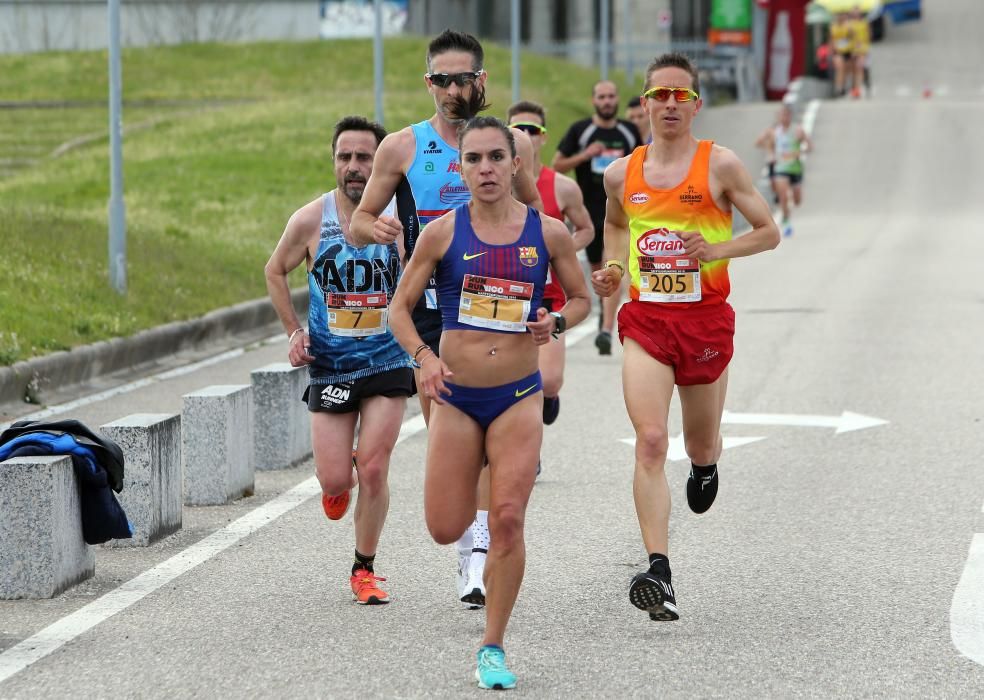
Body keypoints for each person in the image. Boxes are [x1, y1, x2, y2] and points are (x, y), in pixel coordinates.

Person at [390, 116, 590, 690]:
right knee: (443, 524)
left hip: (518, 396)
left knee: (506, 519)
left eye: (495, 158)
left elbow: (578, 300)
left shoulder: (546, 233)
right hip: (455, 395)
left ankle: (493, 646)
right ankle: (468, 485)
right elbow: (400, 310)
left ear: (514, 164)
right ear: (460, 168)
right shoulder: (442, 233)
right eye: (473, 159)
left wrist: (555, 320)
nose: (485, 169)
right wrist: (425, 360)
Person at [351, 29, 542, 610]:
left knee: (492, 439)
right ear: (428, 83)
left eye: (463, 78)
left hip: (498, 306)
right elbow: (360, 219)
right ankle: (469, 548)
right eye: (442, 79)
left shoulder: (508, 145)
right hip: (435, 312)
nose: (452, 89)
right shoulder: (403, 148)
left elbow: (535, 216)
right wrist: (377, 228)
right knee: (452, 439)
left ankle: (477, 559)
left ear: (481, 81)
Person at [591, 53, 779, 623]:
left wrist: (714, 250)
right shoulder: (622, 173)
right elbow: (618, 225)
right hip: (647, 321)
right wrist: (614, 271)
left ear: (695, 104)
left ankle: (704, 464)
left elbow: (768, 231)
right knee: (651, 440)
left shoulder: (719, 165)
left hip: (704, 320)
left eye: (681, 95)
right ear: (644, 102)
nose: (670, 103)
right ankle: (659, 571)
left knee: (698, 442)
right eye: (660, 94)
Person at [264, 116, 413, 606]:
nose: (354, 167)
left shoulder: (398, 218)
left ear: (381, 163)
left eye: (364, 158)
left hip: (388, 360)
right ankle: (339, 476)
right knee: (334, 480)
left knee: (373, 467)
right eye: (344, 157)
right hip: (330, 365)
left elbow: (423, 273)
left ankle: (364, 567)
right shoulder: (312, 219)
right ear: (334, 161)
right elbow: (275, 270)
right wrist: (293, 332)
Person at [506, 99, 593, 432]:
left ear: (543, 137)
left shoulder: (563, 186)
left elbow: (586, 228)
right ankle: (526, 450)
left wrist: (560, 252)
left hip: (550, 296)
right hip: (506, 295)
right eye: (518, 128)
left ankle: (547, 399)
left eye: (533, 129)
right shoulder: (493, 183)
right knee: (511, 382)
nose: (525, 134)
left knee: (550, 381)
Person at [553, 80, 641, 356]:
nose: (607, 101)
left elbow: (642, 163)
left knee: (611, 266)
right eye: (601, 97)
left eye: (611, 96)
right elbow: (558, 164)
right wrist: (585, 155)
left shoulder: (628, 131)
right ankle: (601, 318)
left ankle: (604, 329)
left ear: (617, 100)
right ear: (594, 101)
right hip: (587, 214)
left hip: (619, 213)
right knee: (598, 275)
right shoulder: (581, 130)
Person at [768, 104, 811, 237]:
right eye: (781, 115)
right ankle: (786, 222)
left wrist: (799, 152)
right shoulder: (775, 132)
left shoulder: (798, 130)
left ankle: (789, 203)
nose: (783, 118)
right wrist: (772, 156)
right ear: (778, 117)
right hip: (781, 168)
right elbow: (770, 147)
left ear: (790, 116)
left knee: (797, 200)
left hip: (795, 168)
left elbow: (809, 146)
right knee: (783, 196)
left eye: (786, 115)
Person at [829, 12, 854, 97]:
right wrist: (832, 51)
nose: (841, 17)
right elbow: (831, 39)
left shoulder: (848, 26)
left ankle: (844, 87)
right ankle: (839, 88)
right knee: (840, 68)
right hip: (838, 51)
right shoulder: (833, 27)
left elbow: (852, 36)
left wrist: (849, 28)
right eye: (840, 16)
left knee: (846, 71)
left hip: (847, 50)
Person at [849, 6, 871, 98]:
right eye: (854, 12)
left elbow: (868, 36)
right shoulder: (849, 24)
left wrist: (864, 47)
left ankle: (860, 89)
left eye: (857, 12)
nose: (856, 14)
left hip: (862, 49)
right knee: (854, 70)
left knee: (860, 68)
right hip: (852, 49)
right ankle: (855, 88)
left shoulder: (864, 23)